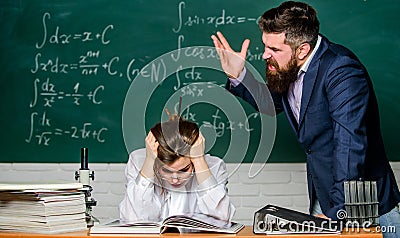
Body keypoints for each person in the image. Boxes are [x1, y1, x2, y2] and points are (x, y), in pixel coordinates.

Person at [211, 0, 400, 235]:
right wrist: (238, 74)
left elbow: (349, 145)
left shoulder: (342, 71)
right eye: (265, 46)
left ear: (302, 49)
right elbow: (271, 104)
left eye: (275, 50)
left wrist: (337, 212)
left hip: (362, 203)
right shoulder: (291, 66)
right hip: (324, 194)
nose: (265, 55)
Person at [119, 115, 235, 223]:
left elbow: (223, 218)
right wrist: (149, 162)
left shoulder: (214, 166)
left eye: (184, 170)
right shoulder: (139, 162)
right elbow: (131, 219)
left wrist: (199, 160)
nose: (175, 179)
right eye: (166, 170)